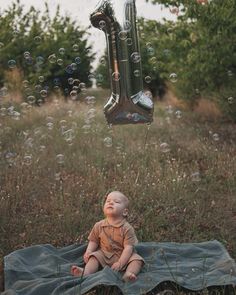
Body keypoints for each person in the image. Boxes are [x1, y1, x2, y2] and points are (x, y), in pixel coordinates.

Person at [71, 191, 144, 282]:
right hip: (105, 253)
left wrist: (120, 263)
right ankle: (86, 272)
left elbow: (128, 248)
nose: (111, 202)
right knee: (94, 257)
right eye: (108, 201)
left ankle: (128, 274)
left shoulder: (127, 228)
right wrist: (89, 251)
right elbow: (94, 241)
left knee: (137, 260)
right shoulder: (98, 225)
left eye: (116, 202)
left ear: (125, 212)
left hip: (124, 255)